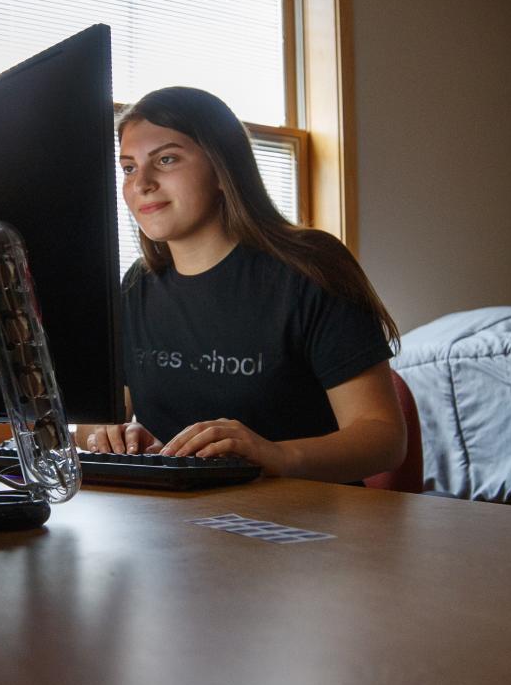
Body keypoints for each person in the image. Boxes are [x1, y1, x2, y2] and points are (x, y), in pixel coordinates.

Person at [81, 87, 406, 483]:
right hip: (174, 523)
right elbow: (102, 419)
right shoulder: (137, 284)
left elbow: (385, 438)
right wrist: (110, 433)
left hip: (301, 521)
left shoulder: (309, 268)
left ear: (222, 169)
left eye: (166, 159)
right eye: (129, 168)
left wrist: (275, 455)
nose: (142, 183)